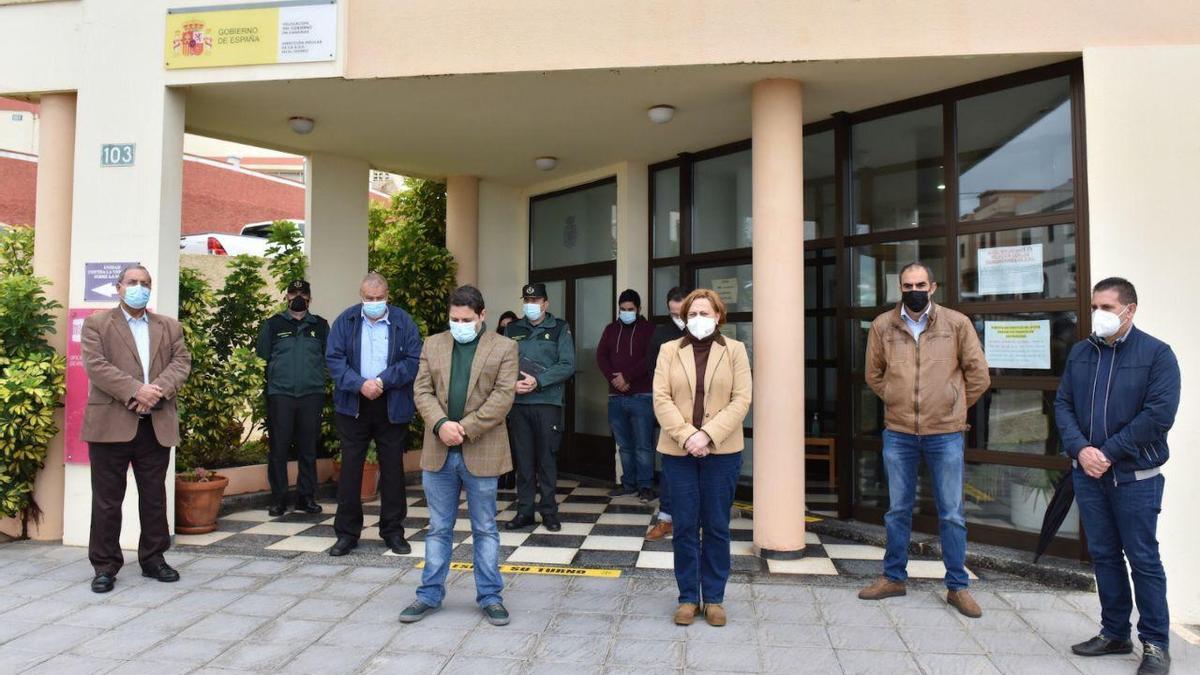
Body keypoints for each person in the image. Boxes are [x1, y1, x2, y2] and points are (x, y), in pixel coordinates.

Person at [1055, 277, 1179, 675]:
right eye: (1095, 307)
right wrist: (1080, 450)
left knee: (1143, 559)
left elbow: (1158, 416)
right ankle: (1114, 632)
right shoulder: (1080, 352)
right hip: (1088, 474)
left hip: (1135, 478)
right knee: (1105, 556)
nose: (1098, 315)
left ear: (1130, 310)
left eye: (1106, 308)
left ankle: (1156, 643)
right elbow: (1063, 404)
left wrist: (1105, 453)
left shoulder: (1158, 355)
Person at [860, 262, 990, 618]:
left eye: (920, 284)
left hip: (945, 433)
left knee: (951, 514)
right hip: (899, 431)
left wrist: (953, 405)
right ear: (899, 287)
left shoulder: (956, 324)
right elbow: (873, 374)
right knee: (897, 510)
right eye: (907, 285)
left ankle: (957, 587)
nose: (913, 290)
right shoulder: (883, 325)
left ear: (932, 287)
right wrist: (896, 397)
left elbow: (978, 374)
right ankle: (893, 578)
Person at [403, 285, 519, 626]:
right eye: (454, 319)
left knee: (485, 528)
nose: (459, 324)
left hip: (481, 449)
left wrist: (464, 428)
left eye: (466, 319)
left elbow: (502, 398)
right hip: (439, 450)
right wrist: (440, 424)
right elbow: (421, 389)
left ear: (482, 316)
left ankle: (490, 596)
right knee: (438, 527)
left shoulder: (505, 347)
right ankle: (428, 595)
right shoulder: (433, 344)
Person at [81, 265, 191, 593]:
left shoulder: (169, 327)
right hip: (111, 424)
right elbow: (96, 366)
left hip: (155, 423)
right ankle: (104, 565)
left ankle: (154, 559)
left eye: (145, 283)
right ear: (118, 287)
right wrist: (135, 390)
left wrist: (154, 390)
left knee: (154, 496)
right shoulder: (97, 324)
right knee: (107, 500)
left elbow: (180, 363)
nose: (139, 287)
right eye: (132, 282)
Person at [653, 288, 752, 627]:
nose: (697, 320)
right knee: (683, 526)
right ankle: (686, 598)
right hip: (678, 452)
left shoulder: (735, 350)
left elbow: (742, 399)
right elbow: (660, 398)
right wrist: (687, 436)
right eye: (691, 314)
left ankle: (713, 598)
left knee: (715, 526)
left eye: (704, 313)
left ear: (718, 316)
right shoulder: (668, 350)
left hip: (721, 451)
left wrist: (707, 434)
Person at [326, 272, 422, 556]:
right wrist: (360, 384)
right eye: (369, 298)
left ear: (388, 296)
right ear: (361, 296)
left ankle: (393, 532)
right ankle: (346, 534)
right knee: (351, 471)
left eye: (379, 298)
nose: (374, 303)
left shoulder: (404, 322)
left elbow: (414, 360)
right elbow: (334, 359)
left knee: (392, 470)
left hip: (391, 404)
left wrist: (382, 382)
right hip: (353, 404)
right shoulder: (346, 320)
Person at [503, 283, 575, 532]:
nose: (531, 305)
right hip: (519, 404)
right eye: (527, 300)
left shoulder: (559, 328)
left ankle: (548, 512)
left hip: (547, 403)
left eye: (536, 301)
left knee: (546, 460)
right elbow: (502, 364)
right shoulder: (512, 329)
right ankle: (524, 512)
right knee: (523, 462)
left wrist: (539, 381)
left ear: (545, 304)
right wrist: (511, 384)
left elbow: (567, 365)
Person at [255, 279, 329, 517]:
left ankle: (306, 498)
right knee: (279, 448)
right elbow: (262, 357)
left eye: (303, 294)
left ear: (310, 298)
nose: (298, 297)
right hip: (281, 395)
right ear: (286, 297)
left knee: (308, 448)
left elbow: (330, 357)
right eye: (293, 293)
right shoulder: (273, 325)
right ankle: (278, 499)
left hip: (311, 394)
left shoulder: (320, 325)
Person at [597, 288, 655, 501]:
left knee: (643, 445)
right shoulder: (611, 329)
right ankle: (628, 483)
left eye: (630, 309)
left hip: (642, 396)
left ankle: (646, 486)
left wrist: (627, 377)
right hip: (616, 397)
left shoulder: (649, 329)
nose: (626, 312)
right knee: (624, 446)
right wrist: (614, 379)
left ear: (638, 309)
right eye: (622, 309)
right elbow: (601, 356)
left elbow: (651, 358)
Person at [644, 285, 688, 541]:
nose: (679, 318)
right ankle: (666, 519)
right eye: (674, 314)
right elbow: (653, 370)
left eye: (682, 313)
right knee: (671, 467)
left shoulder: (709, 334)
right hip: (671, 410)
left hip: (703, 414)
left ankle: (695, 521)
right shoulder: (662, 334)